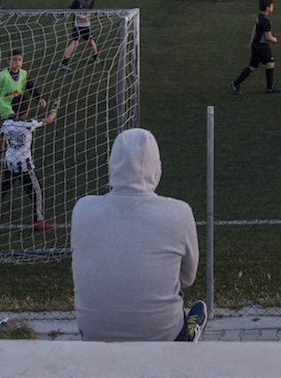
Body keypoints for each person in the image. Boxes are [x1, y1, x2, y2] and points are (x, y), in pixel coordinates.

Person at [71, 128, 207, 342]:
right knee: (186, 302)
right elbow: (187, 279)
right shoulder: (179, 212)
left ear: (113, 163)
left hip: (93, 335)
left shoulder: (82, 209)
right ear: (156, 166)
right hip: (161, 336)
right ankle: (188, 336)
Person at [0, 96, 58, 229]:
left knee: (4, 186)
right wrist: (54, 108)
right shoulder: (28, 124)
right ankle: (38, 221)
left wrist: (0, 152)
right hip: (24, 165)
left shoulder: (7, 123)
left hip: (9, 162)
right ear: (28, 110)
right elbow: (48, 119)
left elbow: (0, 138)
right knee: (37, 191)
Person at [0, 48, 45, 118]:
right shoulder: (3, 75)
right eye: (14, 60)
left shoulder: (23, 74)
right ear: (8, 61)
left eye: (19, 60)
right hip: (6, 109)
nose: (17, 62)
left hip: (19, 108)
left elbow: (31, 87)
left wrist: (39, 98)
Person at [233, 0, 280, 94]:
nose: (273, 7)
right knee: (253, 67)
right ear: (267, 7)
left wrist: (251, 41)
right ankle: (236, 83)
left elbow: (255, 29)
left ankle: (269, 87)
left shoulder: (259, 17)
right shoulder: (266, 21)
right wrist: (274, 39)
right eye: (272, 5)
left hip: (262, 45)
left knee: (270, 64)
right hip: (260, 46)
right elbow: (268, 37)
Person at [59, 0, 98, 70]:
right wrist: (78, 15)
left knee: (91, 41)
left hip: (86, 25)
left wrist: (86, 16)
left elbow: (91, 11)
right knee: (75, 42)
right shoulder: (78, 0)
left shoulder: (92, 0)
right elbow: (70, 10)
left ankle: (96, 57)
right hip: (77, 25)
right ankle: (63, 63)